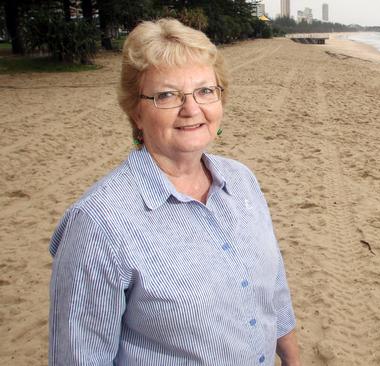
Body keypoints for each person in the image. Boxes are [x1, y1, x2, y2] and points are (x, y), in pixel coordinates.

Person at [48, 19, 301, 366]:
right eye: (167, 95)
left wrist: (291, 357)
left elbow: (273, 285)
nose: (191, 109)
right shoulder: (98, 225)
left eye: (205, 91)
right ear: (136, 111)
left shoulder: (242, 181)